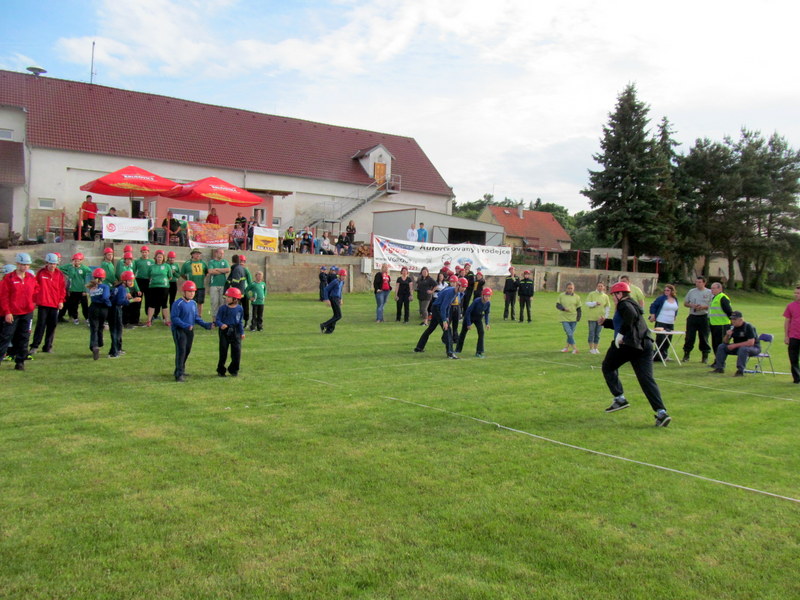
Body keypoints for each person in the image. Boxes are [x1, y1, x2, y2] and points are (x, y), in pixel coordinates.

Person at [600, 281, 671, 427]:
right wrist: (606, 322)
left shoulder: (624, 304)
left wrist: (621, 335)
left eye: (614, 295)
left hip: (629, 345)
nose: (613, 298)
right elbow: (627, 322)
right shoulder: (633, 304)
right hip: (645, 345)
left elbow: (630, 318)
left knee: (608, 367)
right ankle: (661, 413)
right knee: (646, 380)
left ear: (620, 294)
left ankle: (619, 398)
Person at [0, 253, 38, 371]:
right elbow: (4, 297)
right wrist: (7, 312)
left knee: (24, 337)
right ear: (17, 264)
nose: (25, 267)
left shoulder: (31, 278)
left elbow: (36, 290)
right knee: (6, 337)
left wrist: (33, 302)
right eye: (23, 264)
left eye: (27, 265)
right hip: (13, 313)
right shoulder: (9, 278)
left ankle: (20, 362)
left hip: (27, 313)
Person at [170, 280, 213, 382]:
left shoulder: (193, 303)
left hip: (189, 330)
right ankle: (179, 374)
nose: (192, 293)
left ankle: (180, 368)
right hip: (179, 330)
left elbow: (196, 317)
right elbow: (174, 318)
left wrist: (206, 325)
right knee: (181, 350)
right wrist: (185, 325)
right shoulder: (178, 303)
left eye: (193, 291)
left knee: (187, 350)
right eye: (189, 291)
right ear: (183, 292)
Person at [414, 274, 464, 359]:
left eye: (465, 287)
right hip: (437, 308)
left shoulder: (456, 292)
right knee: (447, 330)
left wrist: (446, 317)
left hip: (437, 307)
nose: (464, 289)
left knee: (431, 328)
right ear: (458, 286)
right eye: (463, 287)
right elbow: (443, 307)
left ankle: (419, 348)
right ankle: (450, 353)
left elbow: (447, 304)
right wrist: (444, 320)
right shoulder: (451, 292)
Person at [29, 253, 66, 355]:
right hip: (43, 303)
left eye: (54, 263)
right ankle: (34, 346)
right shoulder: (41, 273)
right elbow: (35, 287)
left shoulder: (59, 274)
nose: (52, 266)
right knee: (40, 325)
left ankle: (48, 346)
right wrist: (35, 300)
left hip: (54, 304)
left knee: (52, 326)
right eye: (50, 263)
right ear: (46, 263)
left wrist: (61, 301)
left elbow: (62, 289)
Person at [710, 311, 760, 376]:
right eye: (731, 319)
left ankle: (740, 371)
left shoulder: (748, 326)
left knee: (743, 349)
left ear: (741, 320)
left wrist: (735, 345)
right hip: (738, 347)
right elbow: (725, 342)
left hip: (753, 348)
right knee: (722, 346)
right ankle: (719, 368)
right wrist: (727, 335)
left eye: (735, 319)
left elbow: (751, 342)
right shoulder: (732, 327)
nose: (733, 321)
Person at [682, 276, 713, 363]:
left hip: (704, 316)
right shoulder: (691, 291)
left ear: (704, 283)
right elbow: (685, 303)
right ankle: (686, 354)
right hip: (693, 316)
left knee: (704, 337)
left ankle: (705, 356)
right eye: (696, 282)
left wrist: (703, 307)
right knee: (689, 337)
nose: (697, 284)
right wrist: (692, 305)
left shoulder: (709, 292)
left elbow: (712, 304)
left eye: (699, 282)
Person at [108, 271, 139, 358]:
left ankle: (117, 349)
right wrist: (133, 300)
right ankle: (114, 352)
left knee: (119, 329)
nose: (131, 282)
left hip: (114, 309)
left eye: (131, 280)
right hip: (115, 310)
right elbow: (120, 301)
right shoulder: (122, 288)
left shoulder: (119, 287)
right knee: (116, 330)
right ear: (124, 281)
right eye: (129, 281)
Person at [215, 287, 245, 377]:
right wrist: (221, 324)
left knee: (237, 351)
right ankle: (221, 370)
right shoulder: (222, 308)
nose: (227, 299)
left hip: (235, 331)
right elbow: (217, 320)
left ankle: (234, 369)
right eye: (226, 297)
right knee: (223, 351)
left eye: (229, 297)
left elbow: (240, 321)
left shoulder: (239, 309)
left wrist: (242, 332)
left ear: (235, 299)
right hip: (224, 331)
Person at [456, 287, 493, 358]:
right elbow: (468, 312)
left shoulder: (488, 303)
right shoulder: (477, 301)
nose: (487, 298)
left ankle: (479, 352)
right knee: (463, 333)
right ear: (483, 295)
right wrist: (468, 323)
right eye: (486, 296)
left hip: (478, 318)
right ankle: (458, 349)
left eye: (489, 296)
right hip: (470, 316)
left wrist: (487, 323)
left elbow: (486, 313)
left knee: (481, 333)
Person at [648, 284, 680, 362]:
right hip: (661, 321)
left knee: (668, 339)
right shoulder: (661, 298)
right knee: (660, 339)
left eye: (668, 290)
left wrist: (675, 316)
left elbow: (676, 309)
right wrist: (653, 315)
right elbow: (653, 306)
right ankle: (658, 355)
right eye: (665, 290)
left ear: (672, 291)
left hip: (670, 322)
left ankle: (665, 355)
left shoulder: (675, 299)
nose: (666, 292)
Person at [59, 252, 91, 324]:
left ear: (81, 261)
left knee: (85, 305)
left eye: (78, 261)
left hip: (82, 290)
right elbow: (70, 274)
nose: (76, 262)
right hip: (73, 290)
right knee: (74, 305)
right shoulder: (70, 267)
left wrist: (85, 290)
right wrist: (71, 268)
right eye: (75, 260)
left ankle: (87, 318)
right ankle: (75, 318)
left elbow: (89, 275)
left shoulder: (84, 268)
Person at [86, 268, 111, 360]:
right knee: (100, 327)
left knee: (94, 328)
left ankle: (94, 346)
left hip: (93, 307)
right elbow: (105, 297)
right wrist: (109, 304)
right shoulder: (105, 287)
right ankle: (100, 343)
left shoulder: (91, 286)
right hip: (103, 308)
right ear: (103, 278)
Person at [145, 250, 172, 327]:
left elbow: (170, 277)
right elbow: (148, 276)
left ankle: (167, 320)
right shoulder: (152, 266)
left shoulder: (167, 266)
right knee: (152, 304)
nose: (159, 258)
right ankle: (149, 320)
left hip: (164, 287)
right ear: (155, 258)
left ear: (163, 258)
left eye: (161, 257)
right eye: (158, 257)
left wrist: (162, 281)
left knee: (164, 304)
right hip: (153, 287)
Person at [585, 281, 611, 354]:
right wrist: (595, 303)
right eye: (599, 286)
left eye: (601, 286)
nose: (600, 287)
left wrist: (605, 317)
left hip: (601, 318)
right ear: (596, 287)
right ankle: (591, 348)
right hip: (592, 317)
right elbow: (587, 303)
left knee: (598, 333)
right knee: (591, 332)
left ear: (604, 287)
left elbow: (607, 307)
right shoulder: (591, 294)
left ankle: (596, 348)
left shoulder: (605, 296)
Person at [181, 248, 208, 317]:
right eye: (196, 253)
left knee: (200, 302)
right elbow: (182, 274)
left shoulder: (203, 263)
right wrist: (188, 280)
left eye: (199, 254)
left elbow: (206, 272)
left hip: (200, 285)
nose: (197, 255)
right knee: (189, 301)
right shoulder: (187, 264)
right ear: (192, 255)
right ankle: (189, 315)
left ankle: (199, 316)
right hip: (190, 287)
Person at [556, 282, 581, 353]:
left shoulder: (577, 297)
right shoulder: (561, 296)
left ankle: (566, 348)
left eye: (571, 288)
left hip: (574, 318)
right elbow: (557, 305)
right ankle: (575, 348)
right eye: (568, 288)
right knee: (569, 333)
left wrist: (578, 318)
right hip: (564, 318)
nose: (570, 290)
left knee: (570, 334)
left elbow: (579, 308)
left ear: (574, 289)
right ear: (566, 288)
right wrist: (564, 309)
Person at [320, 268, 347, 334]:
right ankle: (324, 325)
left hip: (337, 299)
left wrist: (341, 299)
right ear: (339, 275)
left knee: (336, 315)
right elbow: (326, 289)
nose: (344, 277)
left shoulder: (342, 282)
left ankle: (329, 330)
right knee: (339, 316)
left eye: (345, 276)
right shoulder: (335, 281)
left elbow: (340, 290)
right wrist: (327, 299)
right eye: (343, 276)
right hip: (333, 298)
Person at [708, 282, 733, 352]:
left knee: (720, 344)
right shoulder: (715, 298)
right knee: (715, 344)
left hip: (722, 325)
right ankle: (717, 358)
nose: (712, 290)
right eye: (711, 288)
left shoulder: (722, 298)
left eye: (714, 288)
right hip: (714, 324)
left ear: (720, 289)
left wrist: (732, 323)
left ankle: (720, 358)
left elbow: (729, 311)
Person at [207, 248, 231, 320]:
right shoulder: (211, 262)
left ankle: (222, 319)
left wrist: (217, 269)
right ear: (216, 253)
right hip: (214, 285)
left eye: (223, 253)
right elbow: (210, 271)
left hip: (223, 285)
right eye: (220, 253)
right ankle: (214, 320)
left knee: (223, 302)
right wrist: (222, 271)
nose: (222, 255)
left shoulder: (224, 261)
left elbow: (228, 269)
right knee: (214, 302)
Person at [133, 245, 154, 326]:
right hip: (139, 281)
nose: (144, 253)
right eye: (143, 252)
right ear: (141, 253)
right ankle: (136, 319)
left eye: (146, 252)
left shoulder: (152, 261)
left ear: (148, 252)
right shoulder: (137, 261)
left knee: (149, 300)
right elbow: (133, 271)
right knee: (138, 300)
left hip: (148, 281)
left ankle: (149, 318)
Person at [784, 285, 800, 384]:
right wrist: (786, 336)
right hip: (794, 336)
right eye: (795, 293)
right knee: (793, 358)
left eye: (798, 293)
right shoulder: (790, 306)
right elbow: (787, 321)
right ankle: (797, 378)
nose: (796, 295)